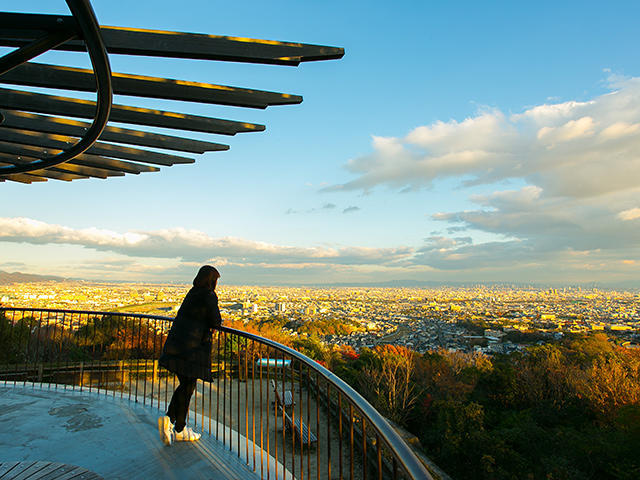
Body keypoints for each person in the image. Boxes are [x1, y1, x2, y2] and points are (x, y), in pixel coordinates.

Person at [157, 265, 222, 445]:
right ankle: (176, 425)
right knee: (187, 388)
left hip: (176, 347)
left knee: (185, 386)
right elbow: (216, 321)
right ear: (212, 281)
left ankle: (175, 424)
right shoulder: (209, 296)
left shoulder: (192, 293)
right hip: (192, 351)